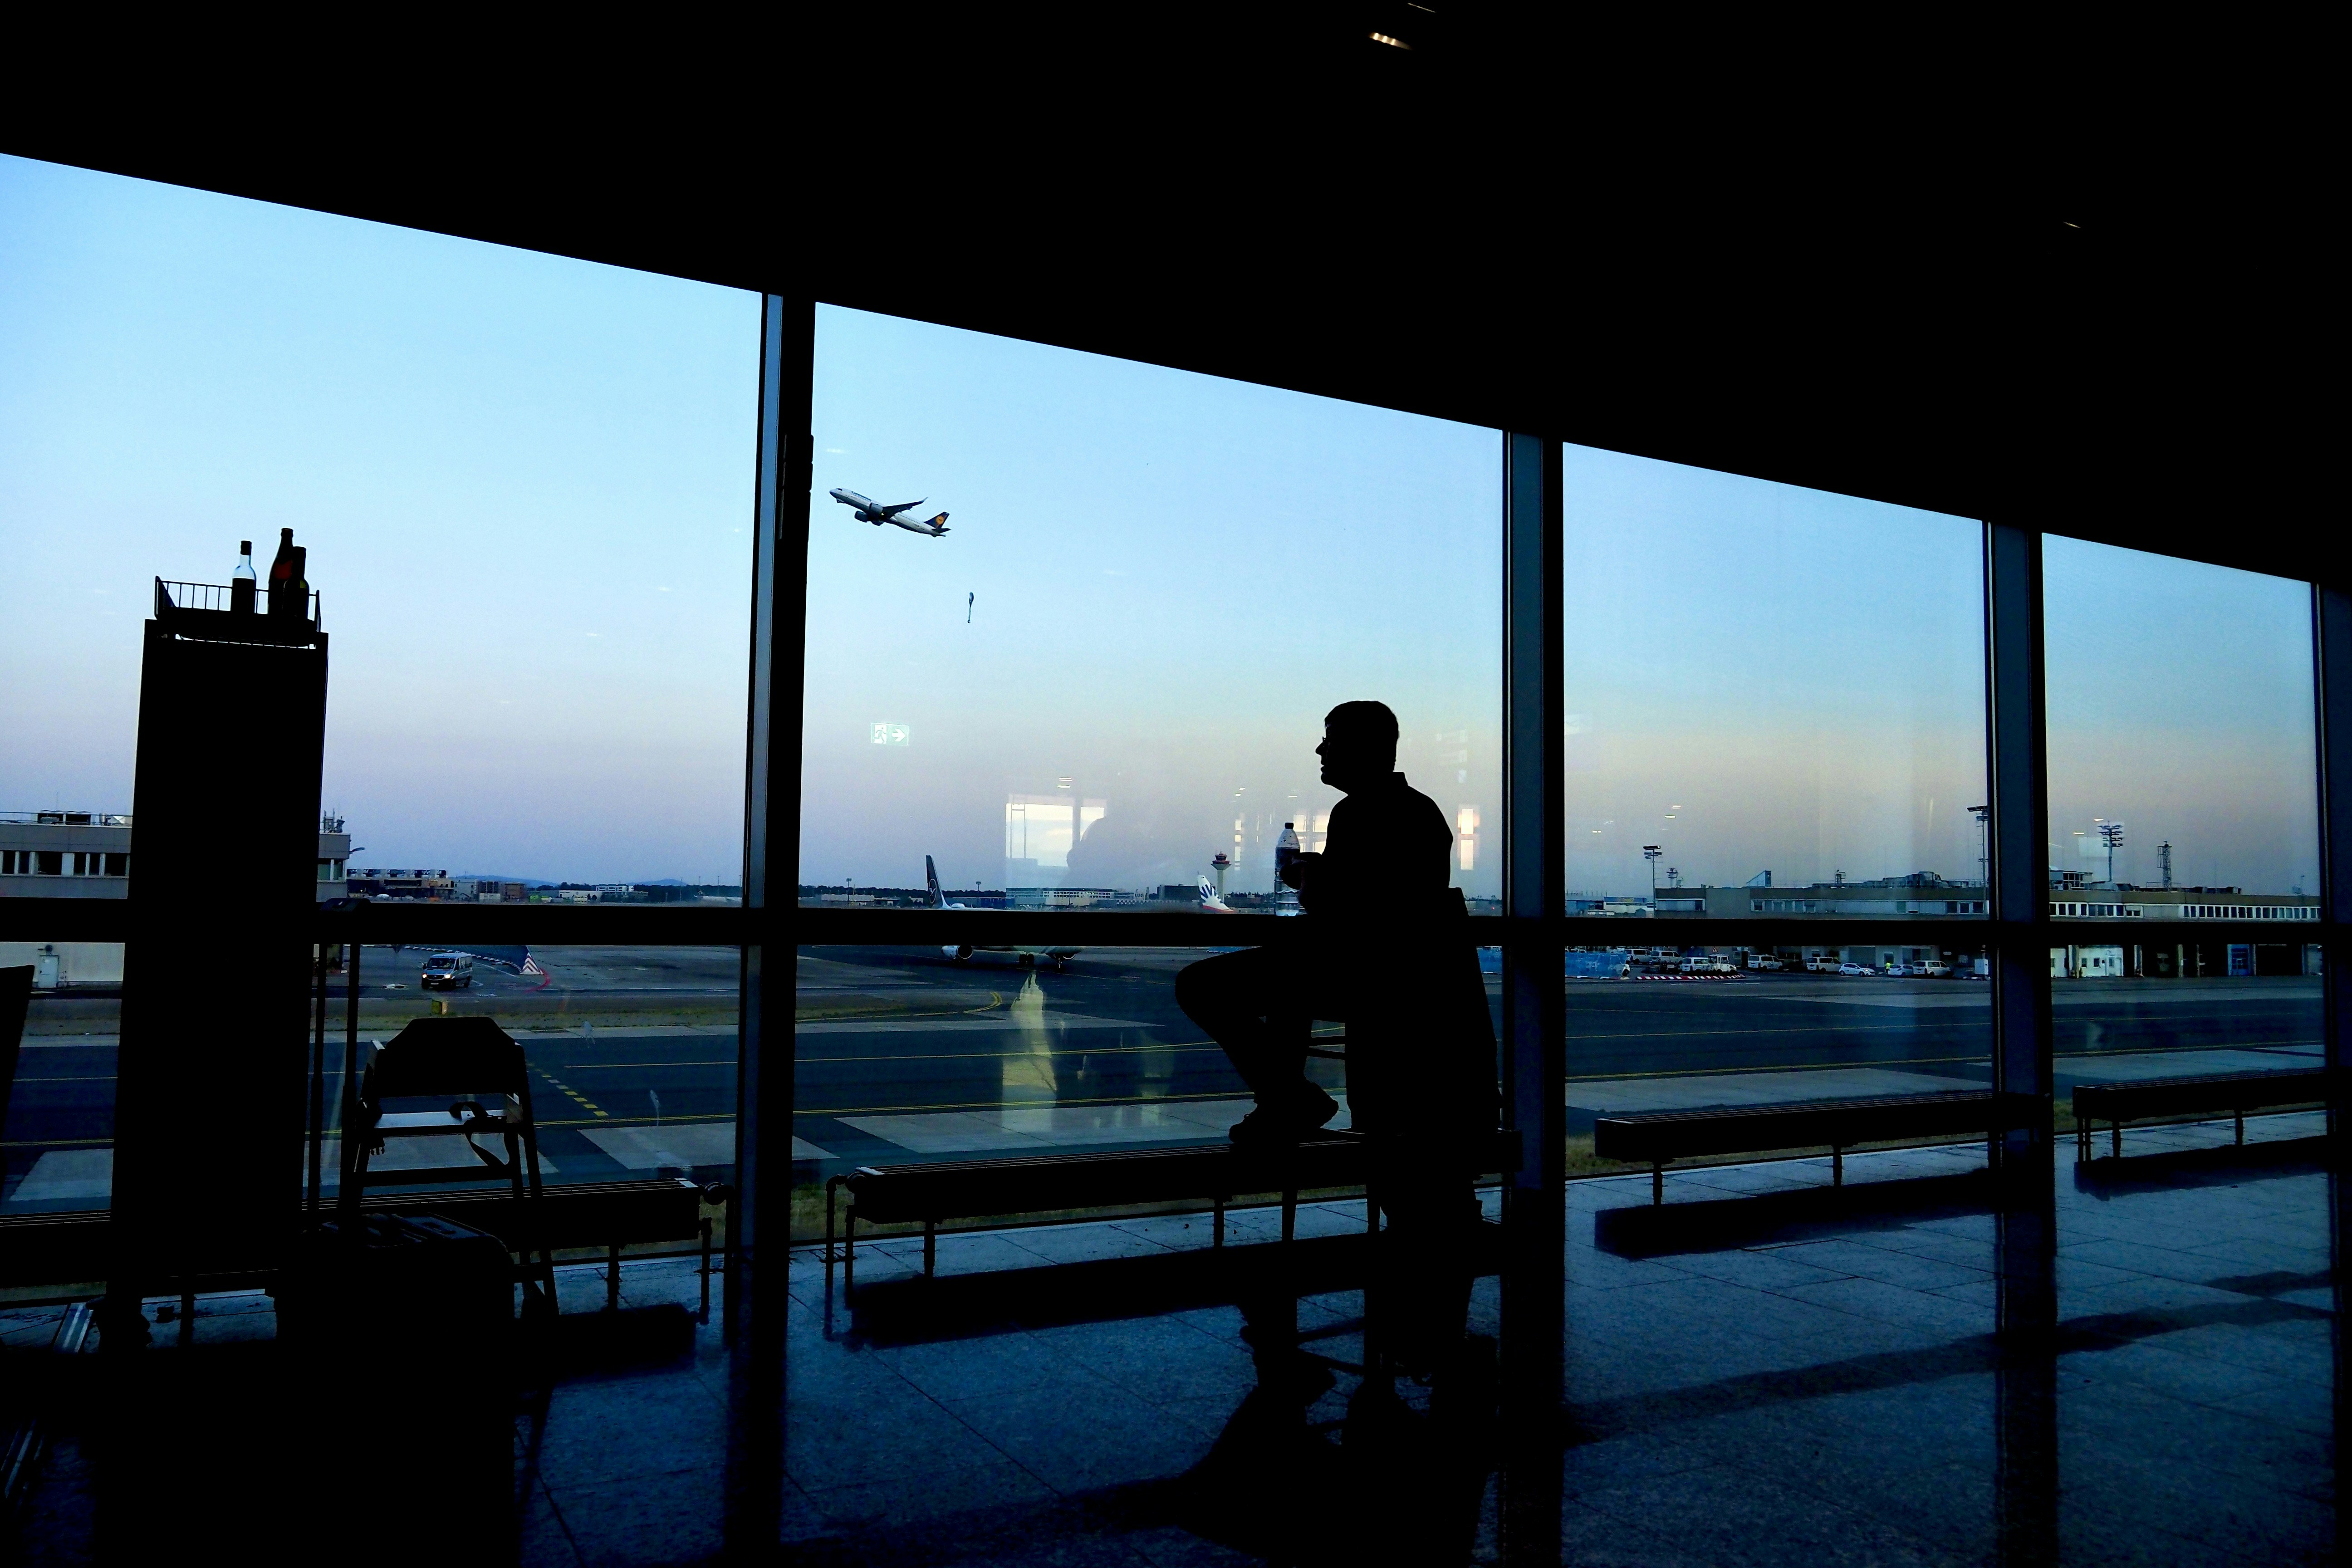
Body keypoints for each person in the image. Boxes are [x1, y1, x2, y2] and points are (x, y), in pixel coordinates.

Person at [1173, 700, 1454, 1145]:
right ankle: (1284, 1099)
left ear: (1362, 747)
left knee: (1199, 985)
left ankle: (1288, 1097)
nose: (1320, 751)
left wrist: (1308, 878)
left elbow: (1344, 913)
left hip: (1365, 973)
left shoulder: (1359, 812)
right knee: (1289, 981)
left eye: (1331, 739)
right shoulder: (1417, 810)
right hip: (1401, 978)